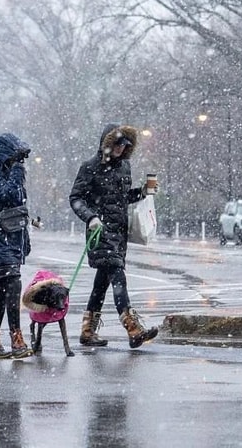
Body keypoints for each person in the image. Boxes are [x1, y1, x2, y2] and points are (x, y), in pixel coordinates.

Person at [69, 123, 159, 349]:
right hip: (100, 232)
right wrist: (90, 217)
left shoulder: (124, 168)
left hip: (119, 233)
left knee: (102, 282)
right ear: (107, 143)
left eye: (125, 145)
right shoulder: (89, 167)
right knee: (118, 277)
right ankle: (133, 327)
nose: (121, 148)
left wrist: (142, 192)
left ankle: (87, 330)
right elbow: (76, 198)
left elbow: (122, 198)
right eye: (117, 143)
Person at [0, 133, 33, 359]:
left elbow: (20, 207)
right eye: (14, 157)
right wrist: (18, 171)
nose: (18, 162)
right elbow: (9, 197)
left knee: (2, 292)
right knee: (11, 287)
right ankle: (16, 337)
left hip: (10, 240)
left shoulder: (12, 174)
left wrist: (25, 241)